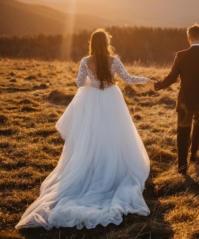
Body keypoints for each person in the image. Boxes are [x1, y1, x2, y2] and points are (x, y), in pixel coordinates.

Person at [16, 28, 155, 230]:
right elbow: (128, 78)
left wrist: (91, 79)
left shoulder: (85, 61)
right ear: (106, 42)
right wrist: (147, 80)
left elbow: (79, 83)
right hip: (112, 99)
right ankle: (111, 165)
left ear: (91, 42)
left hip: (92, 102)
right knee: (114, 135)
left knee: (91, 137)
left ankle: (94, 164)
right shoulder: (113, 60)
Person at [154, 24, 199, 175]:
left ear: (188, 38)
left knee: (183, 134)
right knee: (198, 128)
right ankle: (194, 156)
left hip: (185, 102)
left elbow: (171, 78)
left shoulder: (181, 55)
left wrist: (156, 85)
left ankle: (182, 168)